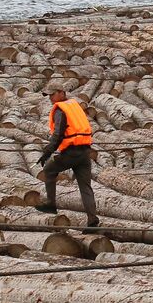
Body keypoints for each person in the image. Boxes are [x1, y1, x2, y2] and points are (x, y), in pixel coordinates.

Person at [36, 90, 100, 228]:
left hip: (71, 153)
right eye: (48, 95)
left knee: (48, 169)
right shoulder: (74, 106)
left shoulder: (61, 110)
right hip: (84, 153)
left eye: (52, 94)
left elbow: (58, 134)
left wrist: (47, 152)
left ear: (61, 93)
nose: (50, 98)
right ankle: (92, 219)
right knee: (85, 187)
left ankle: (50, 205)